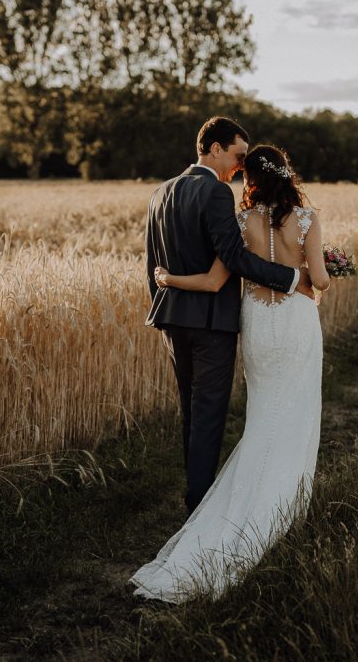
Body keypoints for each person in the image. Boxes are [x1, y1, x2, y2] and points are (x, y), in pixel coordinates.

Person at [131, 141, 330, 603]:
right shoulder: (308, 219)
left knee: (263, 417)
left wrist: (168, 280)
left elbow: (217, 280)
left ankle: (233, 509)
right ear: (286, 173)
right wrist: (329, 266)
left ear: (252, 179)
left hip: (258, 325)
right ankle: (284, 511)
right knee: (297, 413)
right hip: (297, 323)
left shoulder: (240, 222)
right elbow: (317, 281)